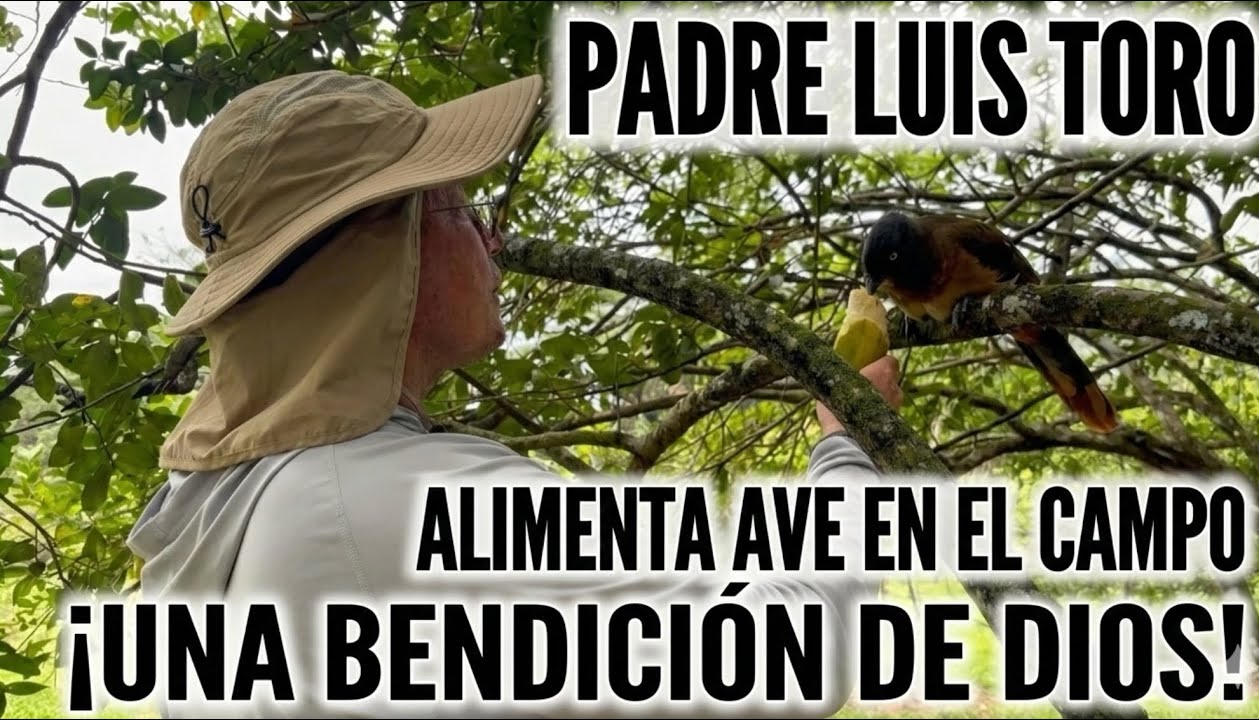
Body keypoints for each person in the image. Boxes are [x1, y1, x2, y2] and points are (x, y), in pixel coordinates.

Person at [124, 69, 904, 718]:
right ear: (384, 252)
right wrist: (848, 447)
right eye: (462, 208)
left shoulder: (221, 501)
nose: (492, 237)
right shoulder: (388, 503)